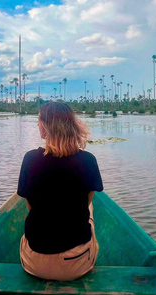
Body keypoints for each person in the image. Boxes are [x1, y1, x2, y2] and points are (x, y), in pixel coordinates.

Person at [17, 102, 103, 282]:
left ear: (45, 127)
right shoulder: (88, 160)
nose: (37, 125)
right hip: (77, 264)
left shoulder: (30, 159)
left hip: (35, 263)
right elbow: (86, 203)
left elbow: (31, 206)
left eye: (39, 121)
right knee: (91, 211)